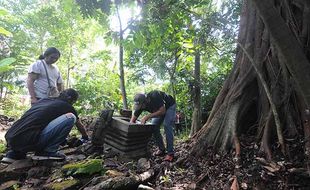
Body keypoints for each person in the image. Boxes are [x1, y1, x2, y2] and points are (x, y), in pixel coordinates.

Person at [1, 88, 88, 163]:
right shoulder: (67, 106)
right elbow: (79, 124)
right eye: (73, 101)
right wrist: (85, 137)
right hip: (30, 139)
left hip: (12, 138)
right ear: (70, 99)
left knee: (33, 125)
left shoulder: (44, 100)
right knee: (70, 117)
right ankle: (47, 151)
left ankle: (15, 154)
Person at [130, 90, 176, 162]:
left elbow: (163, 111)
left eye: (141, 105)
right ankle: (162, 149)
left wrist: (147, 116)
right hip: (159, 110)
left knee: (167, 125)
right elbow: (132, 121)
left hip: (169, 106)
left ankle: (170, 153)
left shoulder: (155, 95)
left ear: (146, 100)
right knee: (154, 127)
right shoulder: (141, 106)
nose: (140, 108)